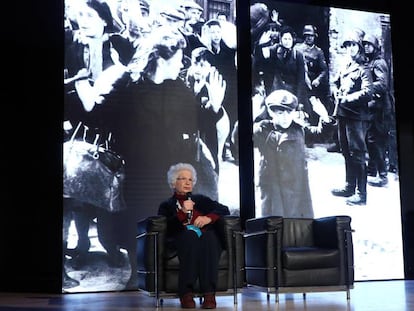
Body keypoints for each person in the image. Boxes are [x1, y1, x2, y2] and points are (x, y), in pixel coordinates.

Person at [94, 25, 219, 289]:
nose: (182, 64)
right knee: (134, 224)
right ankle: (135, 273)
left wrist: (215, 107)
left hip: (169, 171)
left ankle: (158, 273)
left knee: (164, 225)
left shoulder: (179, 88)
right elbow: (101, 116)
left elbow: (199, 123)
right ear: (161, 58)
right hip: (136, 171)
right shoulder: (128, 84)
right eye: (178, 59)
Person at [158, 162, 230, 309]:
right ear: (173, 183)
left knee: (210, 237)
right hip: (182, 239)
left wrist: (208, 218)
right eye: (182, 179)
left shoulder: (201, 200)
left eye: (190, 180)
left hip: (205, 238)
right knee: (190, 235)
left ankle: (209, 293)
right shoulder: (166, 205)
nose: (187, 182)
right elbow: (168, 228)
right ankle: (186, 293)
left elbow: (223, 209)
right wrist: (182, 213)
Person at [253, 89, 314, 218]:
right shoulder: (263, 130)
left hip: (296, 185)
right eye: (280, 113)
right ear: (271, 113)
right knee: (272, 222)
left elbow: (320, 135)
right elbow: (238, 140)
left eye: (289, 112)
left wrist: (325, 118)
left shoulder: (299, 130)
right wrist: (251, 117)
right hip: (272, 186)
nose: (285, 117)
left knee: (296, 222)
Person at [330, 29, 373, 205]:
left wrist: (347, 98)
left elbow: (368, 92)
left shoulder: (364, 69)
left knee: (358, 154)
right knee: (346, 151)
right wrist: (335, 90)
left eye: (353, 45)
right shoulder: (345, 65)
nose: (350, 49)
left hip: (356, 117)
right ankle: (349, 186)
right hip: (342, 114)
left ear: (359, 47)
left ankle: (361, 194)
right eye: (347, 46)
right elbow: (335, 81)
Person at [185, 46, 229, 174]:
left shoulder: (215, 82)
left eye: (202, 65)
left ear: (211, 67)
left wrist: (212, 104)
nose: (197, 69)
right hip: (193, 126)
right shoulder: (188, 78)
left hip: (214, 126)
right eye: (195, 64)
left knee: (211, 155)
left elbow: (216, 108)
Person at [363, 33, 392, 187]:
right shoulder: (370, 61)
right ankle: (372, 170)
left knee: (376, 141)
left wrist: (366, 88)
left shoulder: (379, 63)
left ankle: (383, 175)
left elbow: (382, 84)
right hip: (372, 107)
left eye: (369, 44)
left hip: (380, 108)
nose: (367, 46)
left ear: (375, 46)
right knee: (370, 138)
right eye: (365, 44)